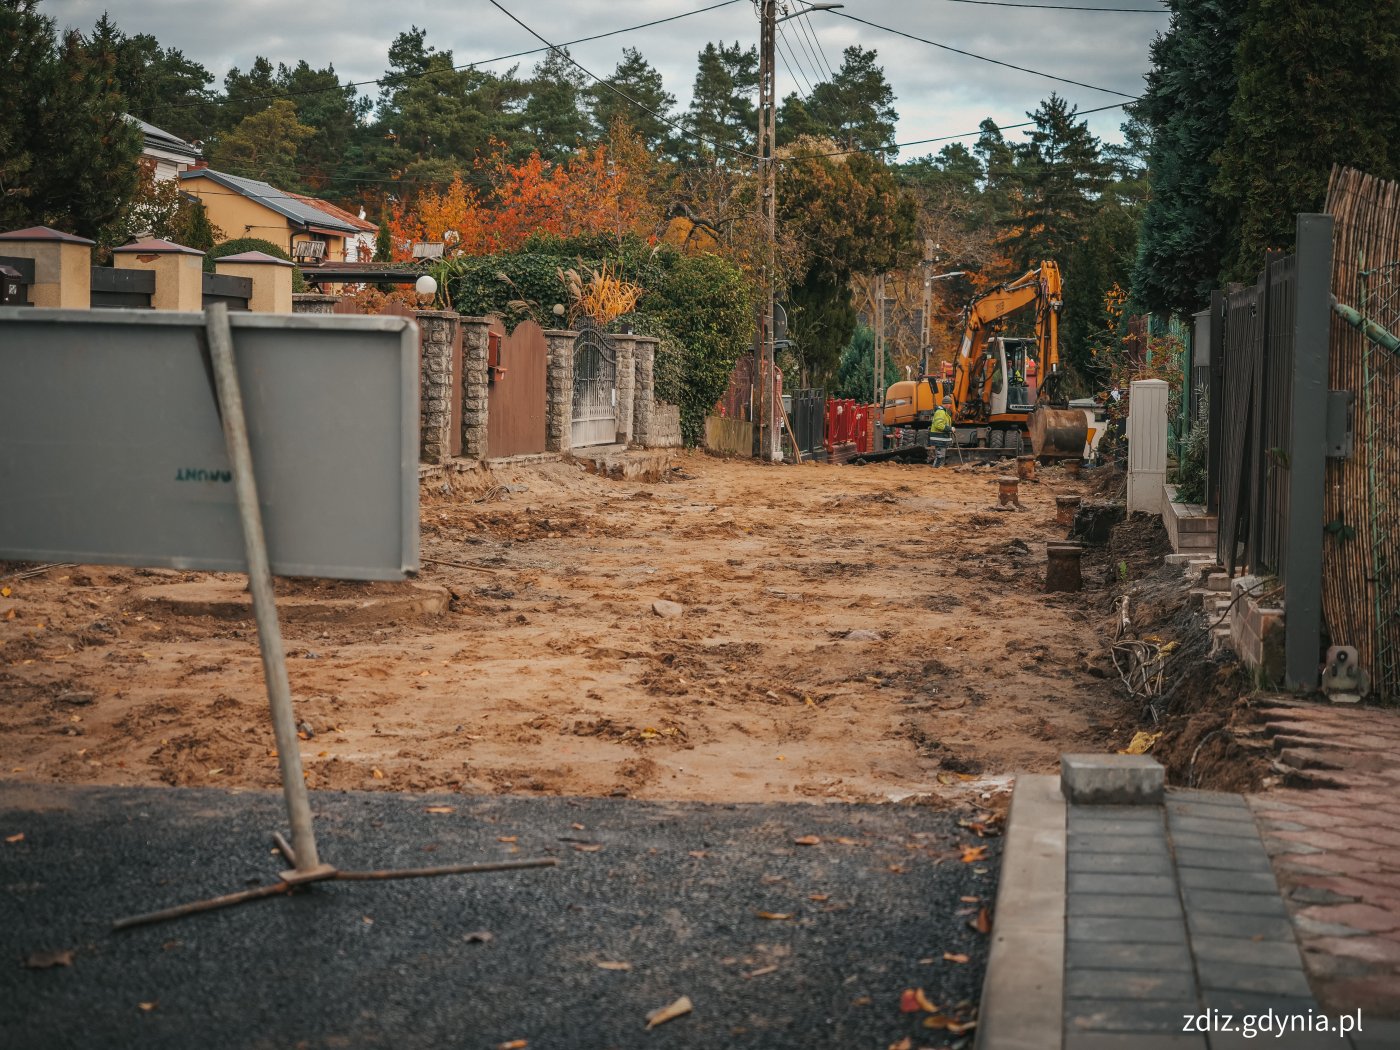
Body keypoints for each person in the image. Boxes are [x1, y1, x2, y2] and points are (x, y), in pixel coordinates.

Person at [929, 396, 955, 467]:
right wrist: (950, 429)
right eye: (950, 404)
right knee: (940, 456)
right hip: (939, 438)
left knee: (941, 456)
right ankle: (936, 470)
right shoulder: (941, 412)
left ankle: (938, 469)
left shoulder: (943, 412)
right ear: (947, 404)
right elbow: (939, 425)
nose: (950, 406)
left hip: (941, 438)